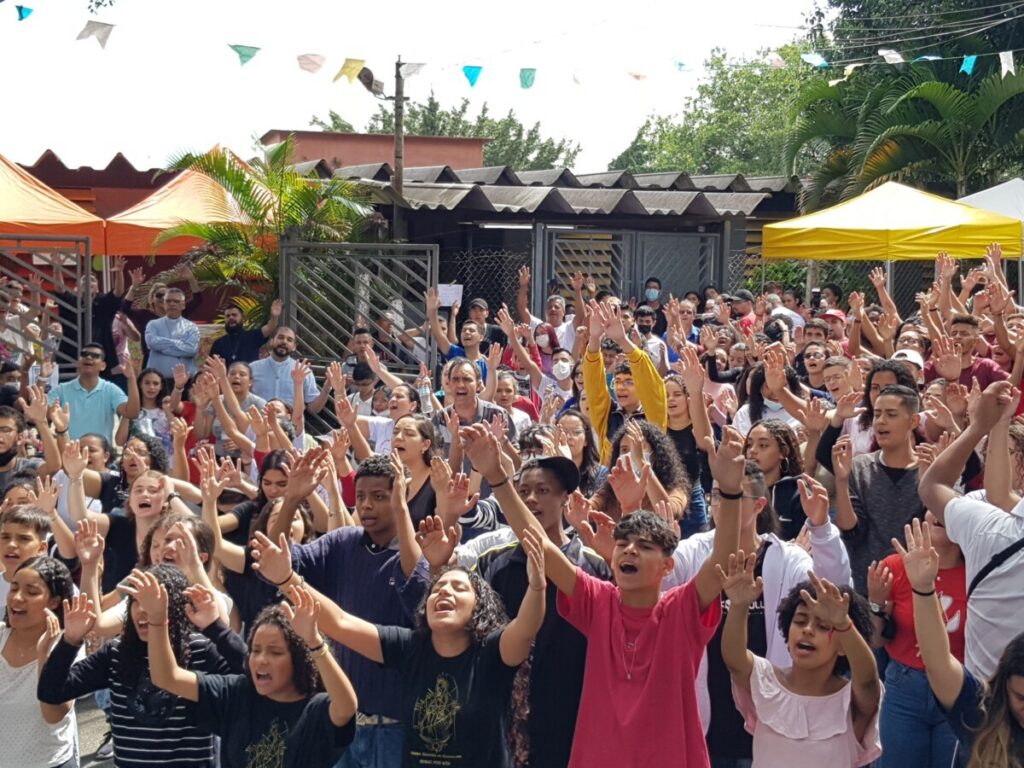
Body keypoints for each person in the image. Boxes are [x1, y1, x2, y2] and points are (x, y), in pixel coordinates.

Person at [462, 421, 743, 767]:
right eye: (623, 545)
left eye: (644, 547)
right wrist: (498, 478)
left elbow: (723, 559)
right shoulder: (599, 602)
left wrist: (730, 492)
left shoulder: (681, 609)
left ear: (668, 566)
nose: (629, 551)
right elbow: (539, 545)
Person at [259, 451, 431, 767]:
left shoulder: (417, 548)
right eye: (361, 496)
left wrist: (401, 509)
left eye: (379, 496)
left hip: (398, 727)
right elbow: (274, 563)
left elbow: (419, 587)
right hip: (342, 725)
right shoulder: (342, 543)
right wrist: (294, 497)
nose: (366, 505)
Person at [38, 564, 247, 768]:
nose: (143, 611)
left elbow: (253, 680)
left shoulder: (200, 649)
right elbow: (51, 692)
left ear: (175, 606)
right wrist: (70, 642)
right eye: (136, 601)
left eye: (153, 603)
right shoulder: (116, 652)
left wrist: (216, 629)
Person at [141, 572, 358, 768]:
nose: (261, 660)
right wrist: (158, 621)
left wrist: (314, 642)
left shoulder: (315, 709)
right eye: (255, 650)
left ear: (300, 661)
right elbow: (167, 677)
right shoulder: (236, 692)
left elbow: (346, 706)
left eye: (275, 652)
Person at [720, 563, 881, 767]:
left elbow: (867, 679)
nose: (807, 630)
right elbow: (734, 660)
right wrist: (738, 606)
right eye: (799, 621)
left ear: (844, 647)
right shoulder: (766, 681)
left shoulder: (850, 699)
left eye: (823, 627)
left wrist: (843, 624)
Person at [918, 380, 1024, 681]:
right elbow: (996, 496)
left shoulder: (986, 525)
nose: (993, 458)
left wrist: (984, 425)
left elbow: (934, 488)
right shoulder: (979, 509)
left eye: (1005, 451)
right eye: (989, 451)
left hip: (980, 694)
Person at [900, 518, 1024, 767]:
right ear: (1003, 686)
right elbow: (938, 663)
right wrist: (923, 589)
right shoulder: (982, 715)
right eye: (1021, 698)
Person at [868, 510, 965, 768]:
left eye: (951, 507)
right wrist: (876, 602)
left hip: (957, 689)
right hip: (904, 687)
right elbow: (876, 641)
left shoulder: (978, 572)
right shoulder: (895, 565)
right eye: (933, 505)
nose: (941, 512)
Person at [833, 384, 925, 594]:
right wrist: (841, 480)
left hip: (914, 589)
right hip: (865, 586)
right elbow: (850, 531)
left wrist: (931, 481)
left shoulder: (928, 468)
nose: (881, 421)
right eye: (877, 414)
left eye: (891, 414)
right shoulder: (858, 466)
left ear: (913, 421)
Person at [0, 556, 78, 768]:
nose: (17, 598)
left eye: (31, 592)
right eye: (13, 588)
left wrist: (45, 657)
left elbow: (54, 715)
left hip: (50, 763)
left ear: (53, 601)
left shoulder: (67, 647)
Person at [583, 299, 666, 463]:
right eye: (618, 381)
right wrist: (594, 338)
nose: (621, 387)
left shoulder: (653, 415)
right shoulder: (608, 414)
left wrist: (622, 340)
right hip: (610, 483)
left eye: (629, 382)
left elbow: (651, 383)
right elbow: (594, 384)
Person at [48, 343, 141, 442]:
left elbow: (132, 413)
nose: (88, 357)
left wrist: (131, 378)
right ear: (78, 362)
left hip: (101, 454)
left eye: (95, 356)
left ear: (103, 366)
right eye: (84, 354)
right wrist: (42, 378)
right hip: (70, 453)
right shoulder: (61, 389)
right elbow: (41, 415)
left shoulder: (111, 389)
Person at [250, 327, 331, 413]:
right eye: (280, 337)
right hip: (259, 423)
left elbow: (314, 408)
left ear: (294, 347)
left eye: (289, 340)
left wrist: (327, 387)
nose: (284, 342)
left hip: (292, 424)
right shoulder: (253, 368)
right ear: (272, 341)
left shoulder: (303, 371)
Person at [144, 288, 201, 379]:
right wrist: (180, 344)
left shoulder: (191, 327)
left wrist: (162, 347)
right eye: (168, 301)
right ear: (164, 304)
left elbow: (191, 350)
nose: (172, 304)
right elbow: (152, 343)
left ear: (183, 305)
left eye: (176, 301)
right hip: (158, 381)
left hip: (187, 380)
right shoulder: (153, 324)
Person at [209, 299, 282, 365]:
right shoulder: (218, 343)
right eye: (227, 316)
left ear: (242, 317)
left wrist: (274, 316)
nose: (231, 318)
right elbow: (210, 365)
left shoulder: (252, 336)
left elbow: (270, 327)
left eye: (234, 315)